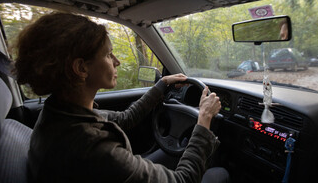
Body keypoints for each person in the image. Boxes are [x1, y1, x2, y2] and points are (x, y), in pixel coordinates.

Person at [13, 12, 229, 183]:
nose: (117, 61)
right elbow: (184, 179)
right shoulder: (94, 147)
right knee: (219, 174)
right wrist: (204, 119)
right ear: (80, 68)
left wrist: (162, 84)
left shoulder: (59, 112)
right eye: (108, 55)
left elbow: (126, 118)